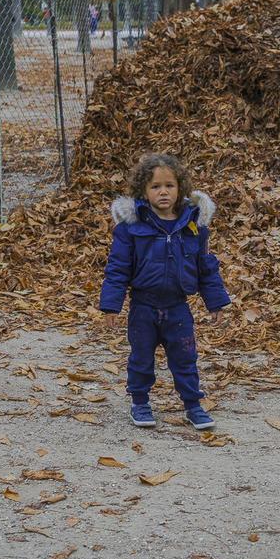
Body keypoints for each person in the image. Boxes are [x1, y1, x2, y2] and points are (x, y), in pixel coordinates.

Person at [99, 152, 230, 430]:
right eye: (155, 186)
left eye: (169, 185)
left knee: (185, 358)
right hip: (142, 307)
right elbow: (117, 267)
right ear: (143, 191)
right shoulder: (131, 228)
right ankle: (140, 402)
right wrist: (111, 305)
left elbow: (206, 268)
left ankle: (193, 405)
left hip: (177, 308)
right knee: (141, 358)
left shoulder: (194, 227)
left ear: (180, 188)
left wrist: (215, 303)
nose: (163, 192)